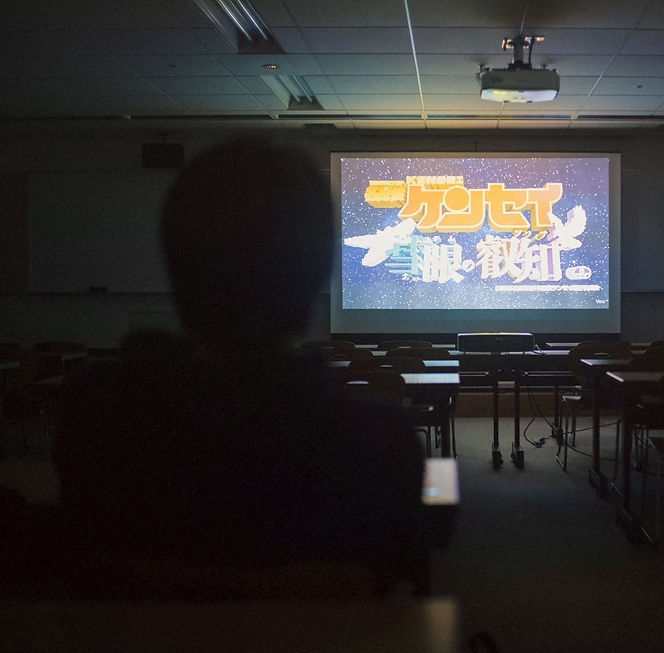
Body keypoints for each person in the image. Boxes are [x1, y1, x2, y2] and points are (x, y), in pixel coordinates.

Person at [52, 139, 425, 596]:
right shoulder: (380, 442)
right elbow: (396, 574)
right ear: (317, 271)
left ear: (177, 263)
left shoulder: (97, 417)